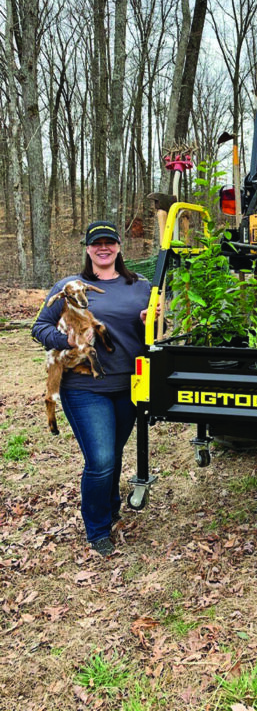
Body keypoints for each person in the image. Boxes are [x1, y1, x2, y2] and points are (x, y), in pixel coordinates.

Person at [33, 221, 152, 557]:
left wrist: (152, 322)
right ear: (87, 248)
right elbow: (39, 327)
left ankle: (111, 507)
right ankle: (98, 528)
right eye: (96, 243)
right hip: (84, 386)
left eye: (109, 242)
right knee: (100, 460)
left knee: (113, 452)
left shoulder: (140, 286)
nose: (103, 248)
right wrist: (65, 340)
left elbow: (155, 333)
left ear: (119, 246)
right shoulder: (69, 286)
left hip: (130, 385)